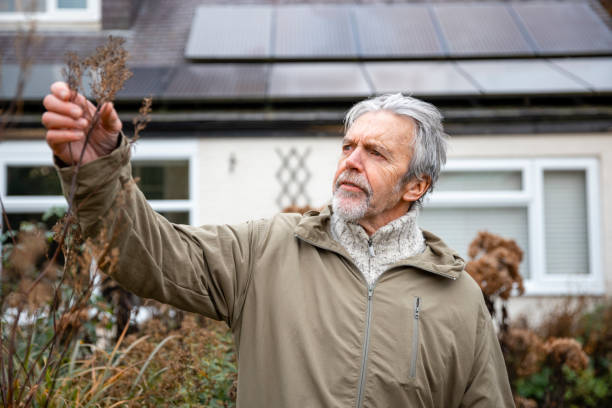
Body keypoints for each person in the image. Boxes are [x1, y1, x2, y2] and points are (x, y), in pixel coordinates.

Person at [43, 81, 514, 407]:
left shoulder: (459, 298)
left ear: (416, 187)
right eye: (348, 147)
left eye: (375, 153)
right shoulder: (264, 250)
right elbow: (147, 257)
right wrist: (102, 168)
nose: (351, 161)